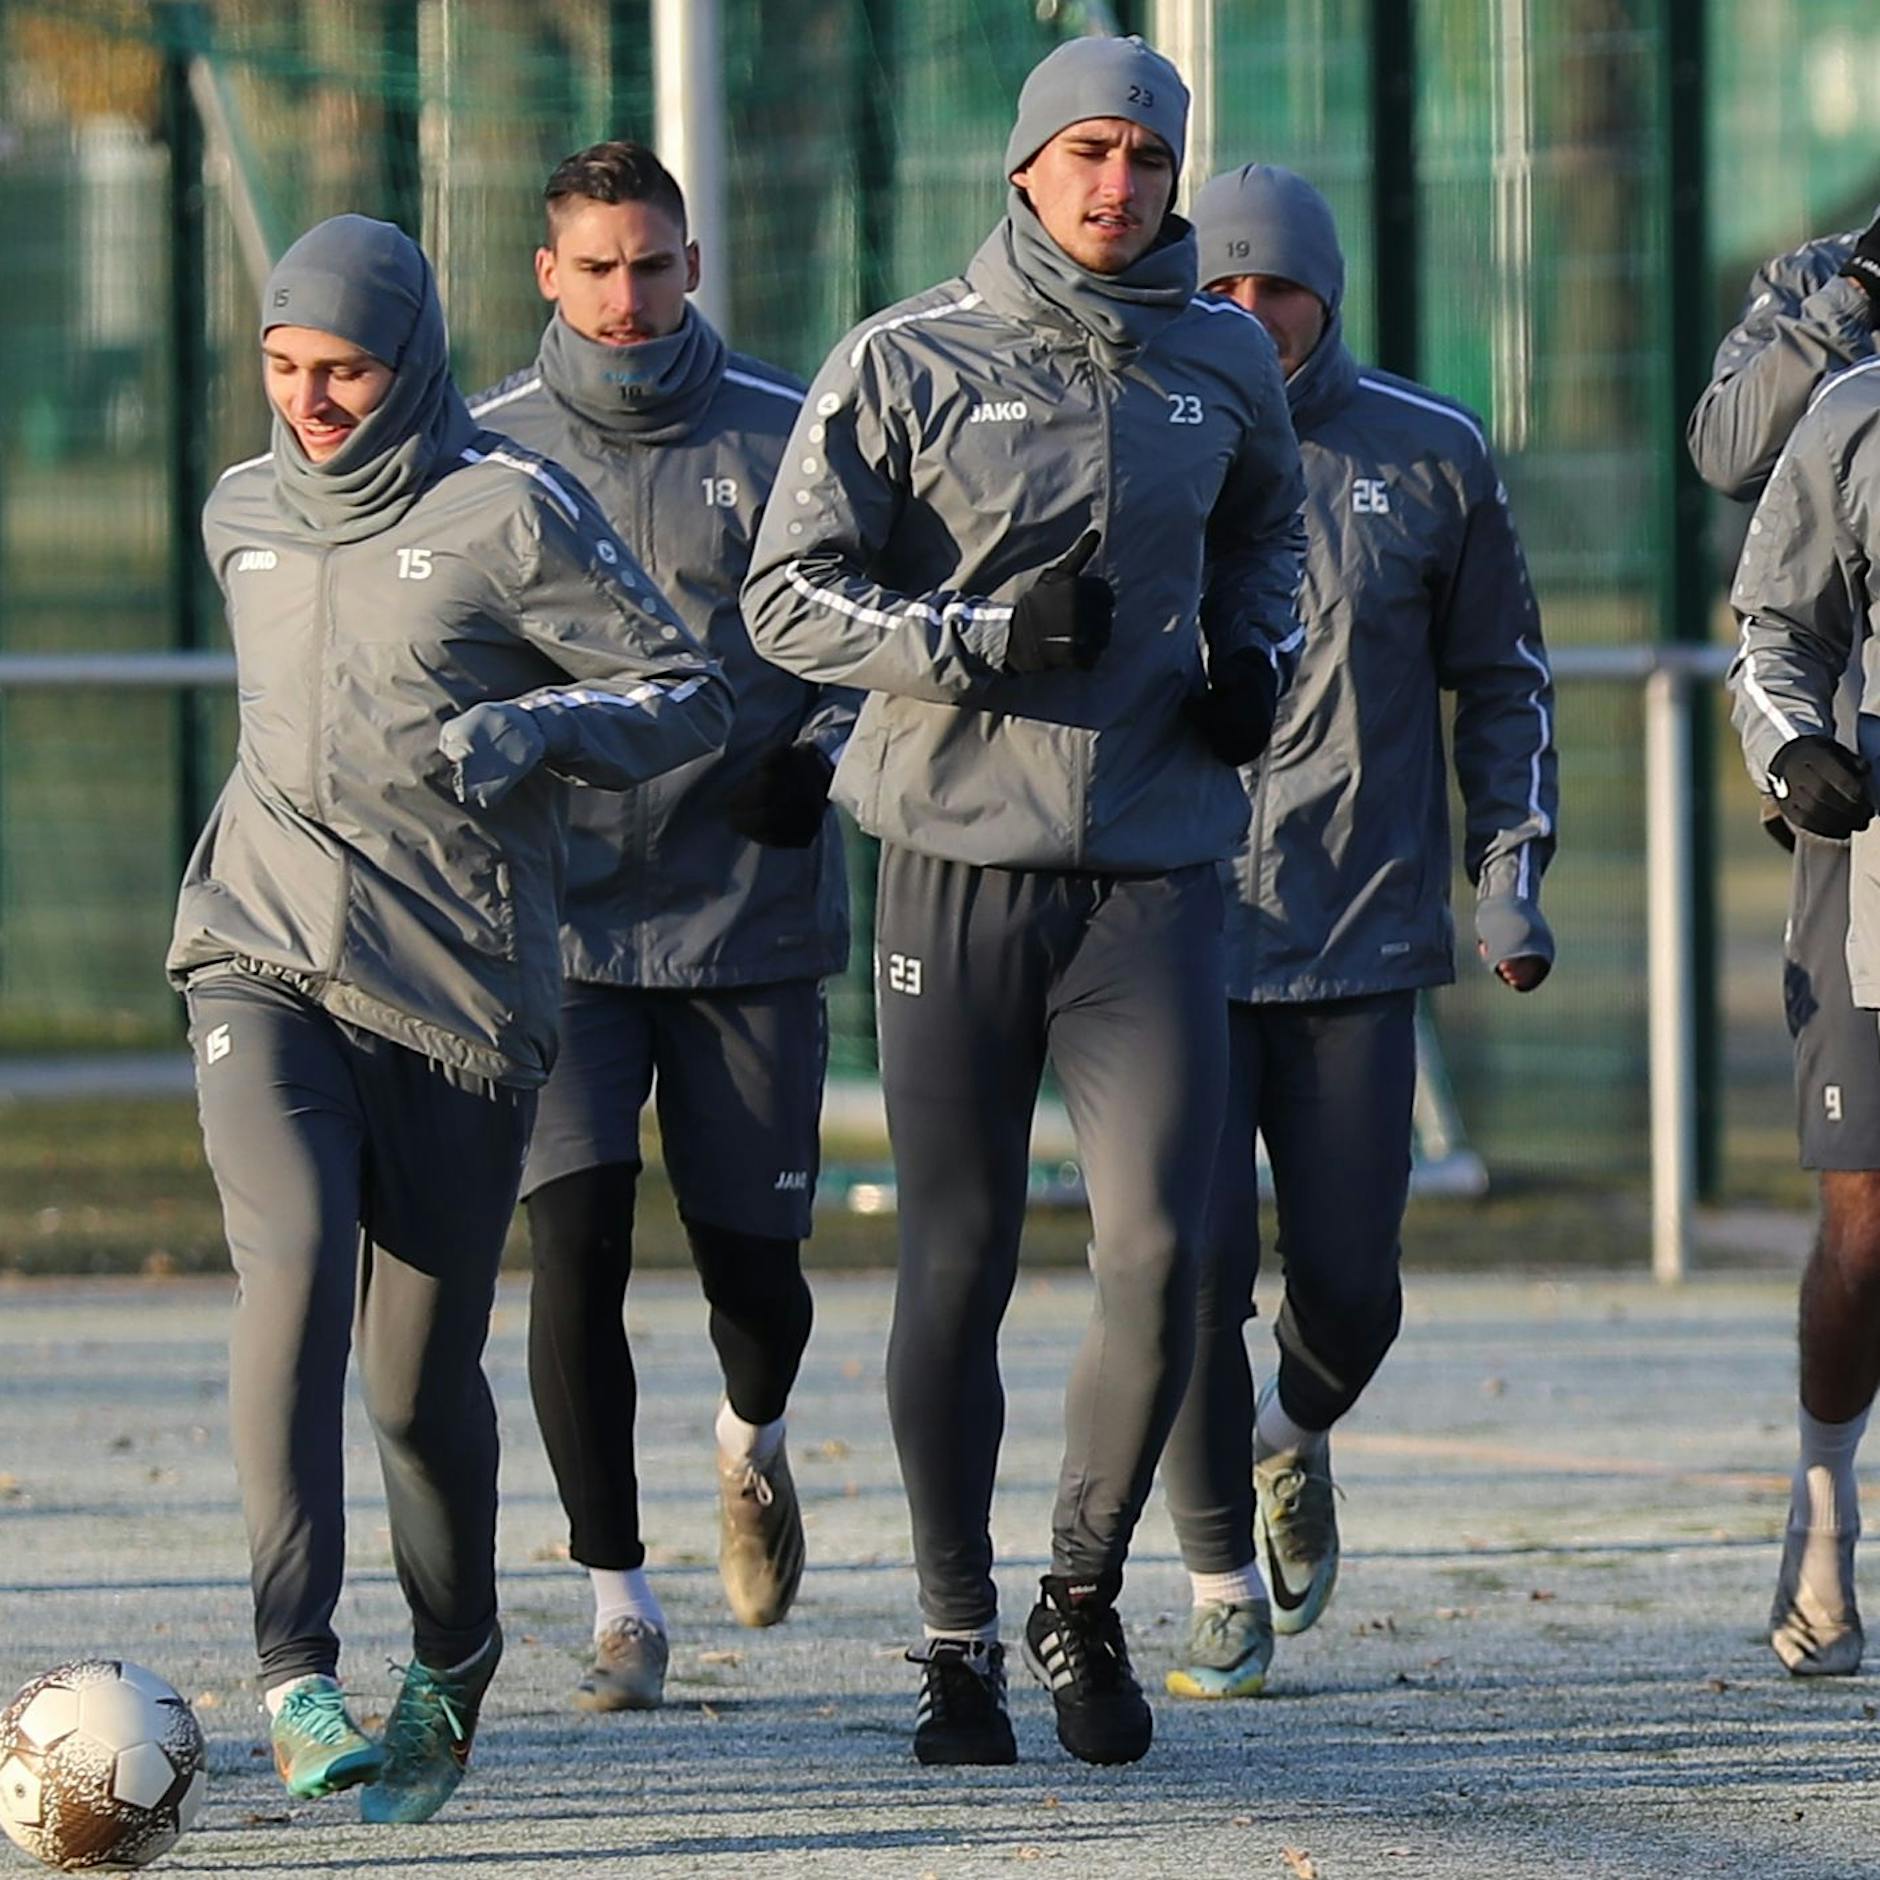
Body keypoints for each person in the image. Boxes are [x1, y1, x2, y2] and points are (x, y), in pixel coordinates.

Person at [743, 36, 1307, 1768]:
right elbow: (784, 600)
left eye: (1146, 156)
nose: (1117, 184)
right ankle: (953, 1639)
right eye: (1087, 152)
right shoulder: (906, 355)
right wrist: (979, 643)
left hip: (1154, 874)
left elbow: (1268, 540)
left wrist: (1255, 656)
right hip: (957, 869)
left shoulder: (1222, 354)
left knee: (1165, 1249)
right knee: (959, 1260)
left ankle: (1077, 1594)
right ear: (1023, 166)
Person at [167, 214, 731, 1822]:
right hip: (257, 951)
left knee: (417, 1386)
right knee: (289, 1266)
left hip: (458, 997)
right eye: (284, 370)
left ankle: (455, 1650)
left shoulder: (505, 507)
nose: (310, 403)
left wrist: (528, 724)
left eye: (341, 369)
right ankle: (294, 1672)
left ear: (408, 358)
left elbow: (682, 691)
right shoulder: (240, 515)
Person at [1154, 164, 1557, 1701]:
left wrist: (1507, 871)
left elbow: (1505, 679)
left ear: (1328, 295)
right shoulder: (1142, 429)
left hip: (1363, 937)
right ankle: (1210, 1587)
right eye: (1226, 290)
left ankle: (1288, 1436)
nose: (1251, 316)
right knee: (1185, 1273)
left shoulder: (1432, 451)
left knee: (1352, 1285)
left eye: (1280, 289)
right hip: (1168, 935)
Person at [468, 142, 852, 1712]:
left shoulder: (786, 432)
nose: (629, 298)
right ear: (547, 276)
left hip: (747, 919)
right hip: (555, 929)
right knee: (573, 1249)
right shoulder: (477, 452)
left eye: (655, 264)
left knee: (755, 1276)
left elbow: (854, 645)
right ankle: (617, 1596)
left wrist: (813, 766)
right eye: (598, 268)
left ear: (693, 263)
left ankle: (750, 1443)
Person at [1707, 209, 1880, 1676]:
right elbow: (1773, 630)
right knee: (1867, 1234)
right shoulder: (1848, 395)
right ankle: (1824, 1502)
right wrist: (1795, 749)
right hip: (1871, 877)